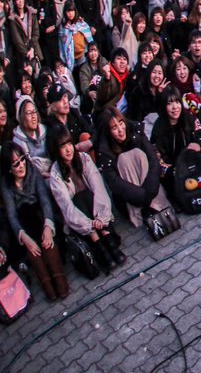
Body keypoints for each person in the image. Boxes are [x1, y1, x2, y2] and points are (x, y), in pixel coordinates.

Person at [45, 124, 126, 272]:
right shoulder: (56, 174)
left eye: (69, 144)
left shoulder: (83, 158)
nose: (68, 149)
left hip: (99, 215)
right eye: (63, 147)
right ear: (56, 150)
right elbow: (67, 208)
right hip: (81, 223)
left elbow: (99, 188)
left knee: (89, 193)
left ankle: (109, 242)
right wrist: (89, 225)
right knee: (78, 198)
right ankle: (100, 247)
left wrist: (101, 218)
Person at [1, 142, 69, 301]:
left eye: (22, 160)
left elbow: (45, 201)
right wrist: (23, 237)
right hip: (25, 225)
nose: (21, 165)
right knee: (25, 214)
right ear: (9, 168)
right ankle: (46, 282)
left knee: (35, 215)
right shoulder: (5, 184)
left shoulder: (33, 171)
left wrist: (48, 226)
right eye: (16, 164)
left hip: (41, 217)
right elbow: (11, 214)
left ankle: (57, 275)